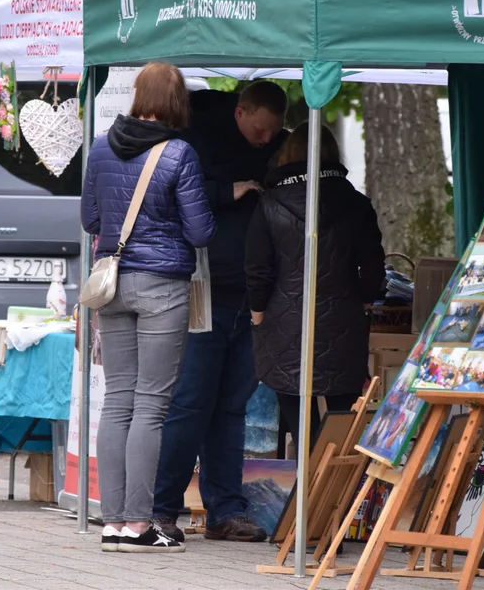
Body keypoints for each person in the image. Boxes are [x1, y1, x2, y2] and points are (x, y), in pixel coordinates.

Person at [82, 62, 215, 554]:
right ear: (177, 101)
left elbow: (90, 217)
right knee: (152, 404)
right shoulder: (179, 153)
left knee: (117, 400)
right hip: (161, 286)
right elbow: (201, 233)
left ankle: (112, 521)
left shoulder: (100, 147)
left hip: (111, 286)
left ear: (139, 95)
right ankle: (140, 524)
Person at [152, 81, 288, 543]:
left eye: (274, 133)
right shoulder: (194, 137)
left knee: (231, 409)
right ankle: (162, 508)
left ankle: (225, 509)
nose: (266, 140)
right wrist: (228, 191)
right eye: (261, 129)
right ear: (240, 112)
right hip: (202, 291)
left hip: (251, 300)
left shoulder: (274, 149)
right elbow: (172, 196)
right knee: (190, 404)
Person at [245, 123, 385, 446]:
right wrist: (363, 300)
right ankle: (337, 491)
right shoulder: (356, 203)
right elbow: (374, 263)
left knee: (299, 424)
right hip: (344, 323)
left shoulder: (269, 205)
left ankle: (306, 490)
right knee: (343, 424)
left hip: (283, 326)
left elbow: (257, 269)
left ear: (289, 155)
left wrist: (258, 316)